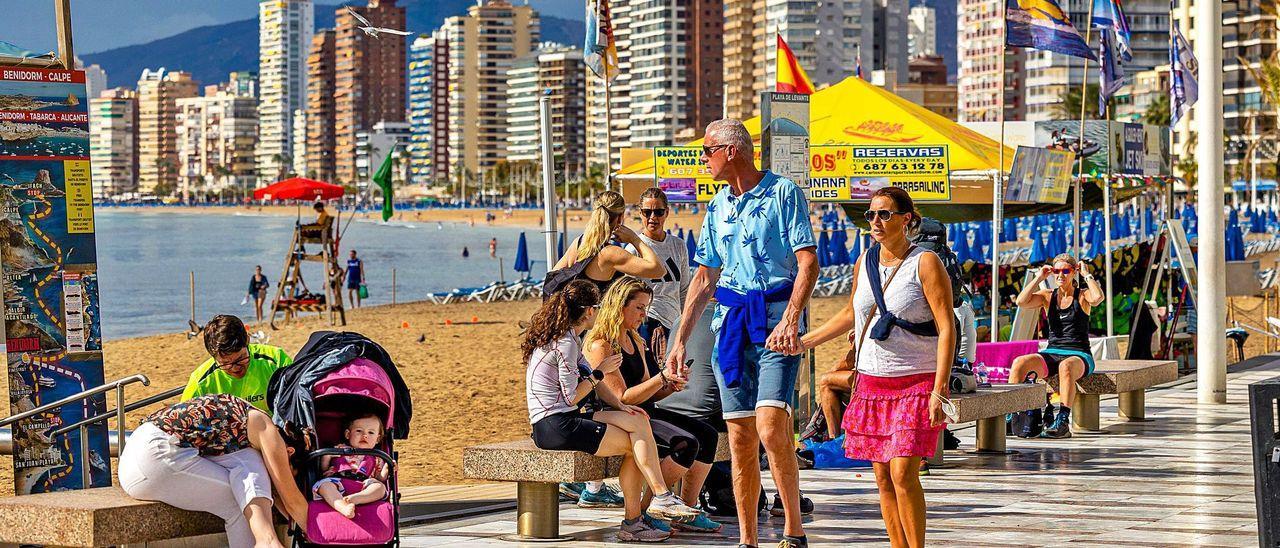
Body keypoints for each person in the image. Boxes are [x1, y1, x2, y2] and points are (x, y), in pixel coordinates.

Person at [666, 118, 819, 548]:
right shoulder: (716, 206)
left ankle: (793, 528)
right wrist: (679, 339)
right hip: (730, 330)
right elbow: (703, 278)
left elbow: (808, 262)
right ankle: (748, 540)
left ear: (732, 151)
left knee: (771, 428)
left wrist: (792, 317)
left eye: (707, 151)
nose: (703, 159)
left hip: (775, 327)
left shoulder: (783, 192)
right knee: (739, 436)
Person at [800, 187, 956, 548]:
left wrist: (940, 386)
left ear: (907, 219)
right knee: (883, 477)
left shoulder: (925, 262)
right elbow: (849, 314)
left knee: (903, 472)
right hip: (871, 383)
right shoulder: (866, 260)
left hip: (916, 380)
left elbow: (946, 325)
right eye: (871, 215)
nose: (876, 222)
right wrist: (806, 341)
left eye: (884, 214)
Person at [523, 279, 701, 542]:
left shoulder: (569, 337)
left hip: (564, 417)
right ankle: (640, 515)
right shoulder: (565, 343)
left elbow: (596, 385)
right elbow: (574, 396)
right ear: (589, 311)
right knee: (634, 443)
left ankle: (657, 502)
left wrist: (622, 407)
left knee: (637, 421)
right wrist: (599, 373)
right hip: (554, 426)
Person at [584, 278, 722, 533]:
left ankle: (686, 509)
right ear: (619, 305)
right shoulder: (601, 345)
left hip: (644, 411)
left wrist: (668, 386)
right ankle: (650, 511)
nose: (644, 315)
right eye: (639, 308)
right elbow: (621, 397)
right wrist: (661, 379)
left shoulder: (636, 340)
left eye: (646, 308)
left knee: (708, 435)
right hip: (616, 415)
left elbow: (648, 391)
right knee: (685, 443)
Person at [118, 394, 313, 547]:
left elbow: (268, 490)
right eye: (290, 471)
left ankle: (266, 540)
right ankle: (267, 542)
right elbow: (292, 500)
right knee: (242, 502)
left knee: (249, 474)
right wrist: (319, 537)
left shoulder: (244, 422)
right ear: (289, 451)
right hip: (157, 455)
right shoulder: (267, 431)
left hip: (134, 456)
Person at [1009, 253, 1103, 438]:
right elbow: (1021, 301)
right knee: (1019, 363)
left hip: (1080, 355)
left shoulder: (1083, 296)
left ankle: (1062, 421)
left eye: (1065, 271)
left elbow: (1098, 297)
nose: (1060, 275)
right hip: (1052, 352)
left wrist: (1087, 275)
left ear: (1074, 272)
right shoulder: (1047, 296)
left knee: (1065, 366)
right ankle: (1013, 415)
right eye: (1056, 271)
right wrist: (1039, 277)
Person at [551, 190, 666, 295]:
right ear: (620, 217)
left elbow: (553, 276)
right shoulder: (611, 253)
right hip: (595, 317)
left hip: (574, 316)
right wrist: (635, 239)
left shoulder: (579, 242)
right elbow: (658, 270)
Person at [626, 188, 691, 360]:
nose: (652, 217)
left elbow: (684, 289)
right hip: (647, 323)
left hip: (675, 323)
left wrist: (686, 324)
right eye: (647, 212)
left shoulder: (678, 245)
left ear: (667, 212)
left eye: (658, 212)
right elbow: (627, 296)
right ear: (640, 213)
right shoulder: (634, 249)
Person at [182, 315, 293, 412]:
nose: (235, 368)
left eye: (240, 359)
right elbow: (183, 421)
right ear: (213, 357)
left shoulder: (276, 359)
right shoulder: (200, 382)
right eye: (225, 363)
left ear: (248, 341)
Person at [313, 413, 391, 519]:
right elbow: (323, 470)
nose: (365, 435)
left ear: (377, 439)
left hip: (364, 485)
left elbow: (380, 478)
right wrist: (327, 457)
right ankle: (342, 506)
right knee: (324, 486)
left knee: (380, 488)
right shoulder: (339, 449)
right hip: (338, 481)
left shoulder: (377, 457)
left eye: (371, 432)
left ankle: (355, 499)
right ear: (348, 434)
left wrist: (387, 468)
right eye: (359, 431)